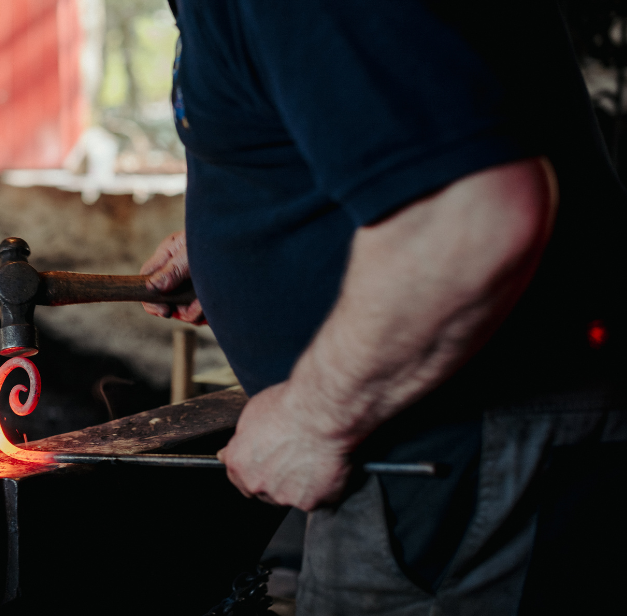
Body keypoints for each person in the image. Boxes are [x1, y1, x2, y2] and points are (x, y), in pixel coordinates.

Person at [140, 1, 627, 614]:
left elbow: (472, 216)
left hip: (463, 456)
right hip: (442, 450)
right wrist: (256, 244)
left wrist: (312, 417)